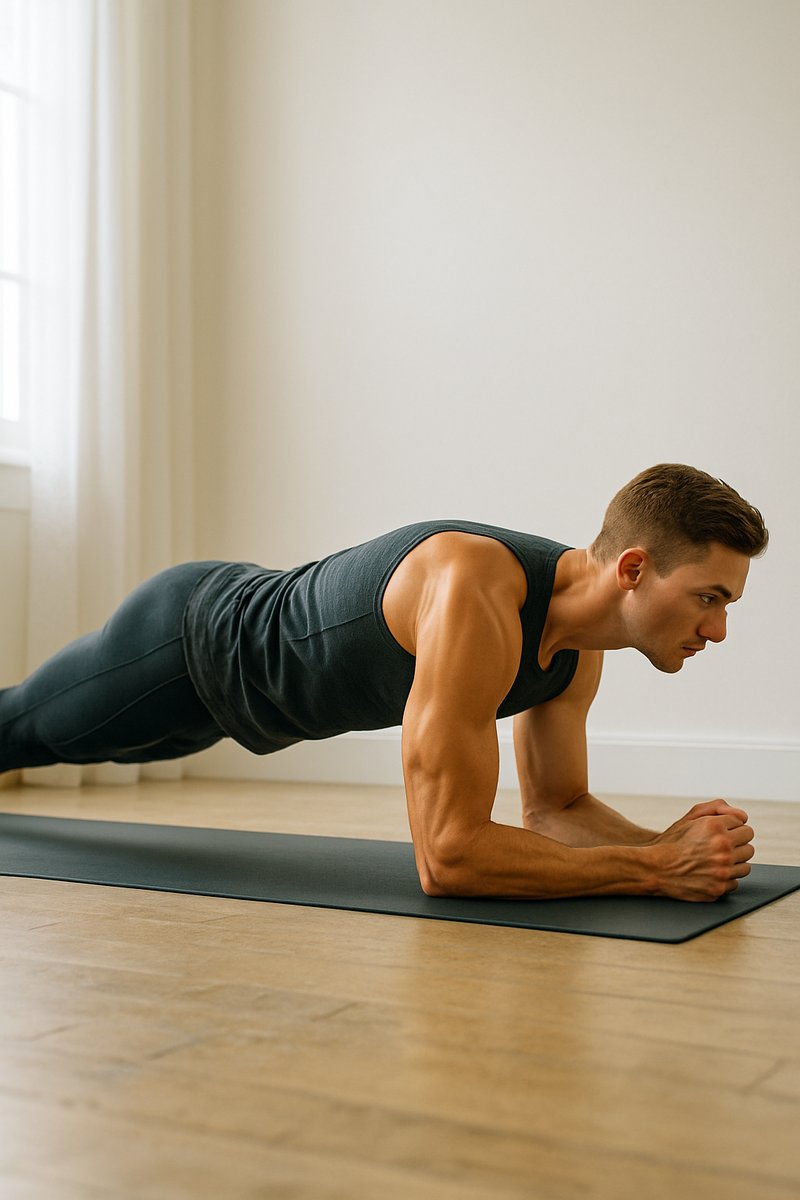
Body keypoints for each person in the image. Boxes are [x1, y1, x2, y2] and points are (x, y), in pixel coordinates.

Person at [0, 463, 768, 902]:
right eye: (710, 598)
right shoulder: (476, 590)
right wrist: (652, 867)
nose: (718, 629)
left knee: (54, 750)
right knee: (18, 733)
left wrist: (665, 842)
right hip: (189, 641)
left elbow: (556, 809)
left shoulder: (577, 649)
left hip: (241, 714)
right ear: (633, 570)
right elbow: (448, 857)